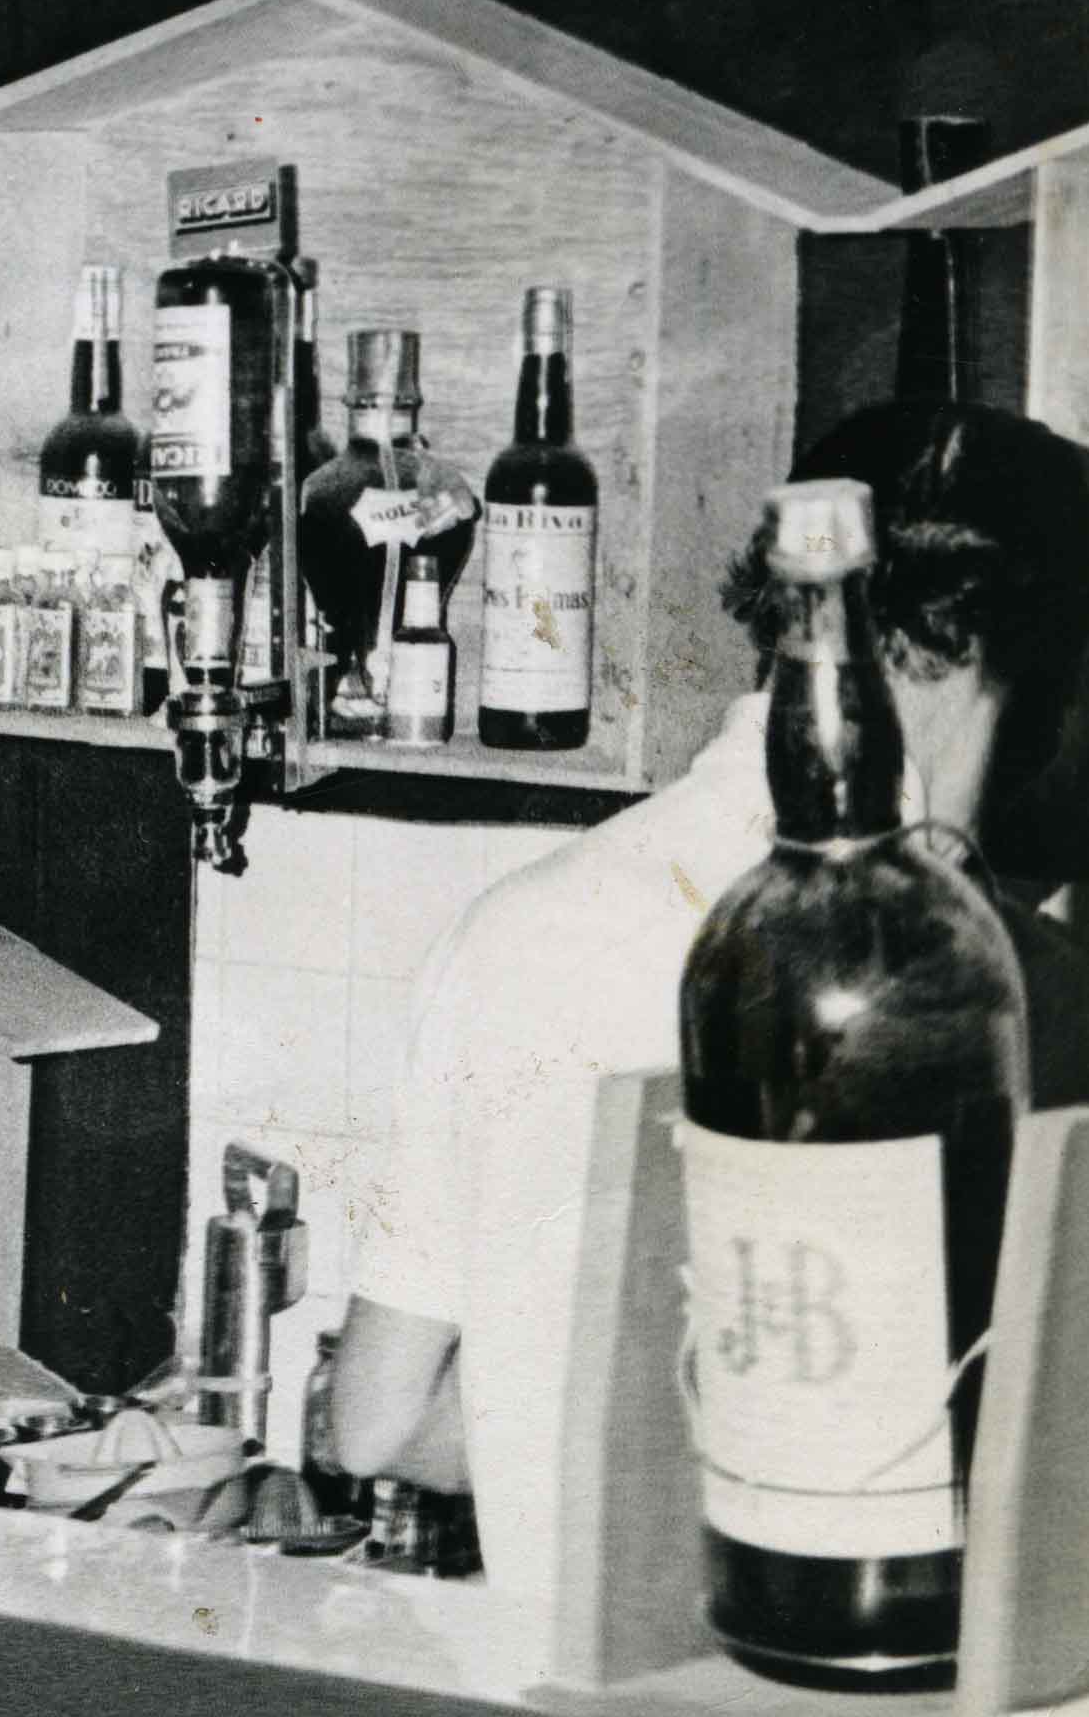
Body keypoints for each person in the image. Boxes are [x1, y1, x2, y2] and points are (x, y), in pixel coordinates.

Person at [329, 400, 1089, 1607]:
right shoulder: (1002, 984)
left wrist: (554, 1410)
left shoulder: (512, 929)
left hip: (558, 1685)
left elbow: (372, 1424)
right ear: (1008, 661)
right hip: (867, 1677)